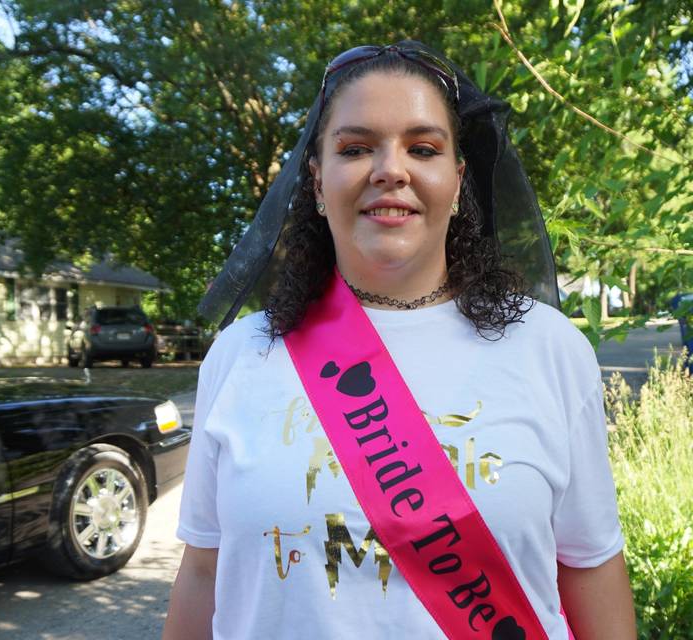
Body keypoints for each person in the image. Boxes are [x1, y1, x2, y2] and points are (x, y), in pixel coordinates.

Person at [163, 42, 635, 639]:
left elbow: (592, 567)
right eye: (356, 148)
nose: (391, 169)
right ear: (315, 180)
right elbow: (204, 571)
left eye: (423, 148)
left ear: (458, 180)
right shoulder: (240, 354)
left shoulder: (550, 347)